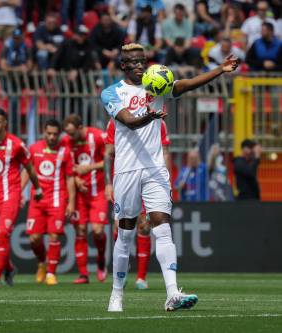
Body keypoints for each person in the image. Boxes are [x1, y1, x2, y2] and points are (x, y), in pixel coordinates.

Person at [101, 43, 239, 312]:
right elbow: (128, 120)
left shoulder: (157, 85)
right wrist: (149, 116)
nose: (140, 65)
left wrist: (220, 70)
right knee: (126, 233)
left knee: (162, 226)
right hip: (127, 170)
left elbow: (187, 85)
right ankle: (116, 294)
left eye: (142, 60)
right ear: (123, 66)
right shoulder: (112, 92)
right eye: (134, 62)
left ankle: (172, 293)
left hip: (154, 169)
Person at [104, 117, 171, 290]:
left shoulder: (158, 122)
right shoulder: (116, 120)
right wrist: (108, 183)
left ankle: (141, 278)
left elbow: (165, 153)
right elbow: (107, 153)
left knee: (145, 227)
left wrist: (166, 183)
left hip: (150, 178)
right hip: (124, 178)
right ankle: (122, 267)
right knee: (120, 227)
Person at [0, 108, 43, 287]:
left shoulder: (16, 144)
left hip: (10, 196)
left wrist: (37, 189)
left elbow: (30, 168)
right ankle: (9, 267)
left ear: (5, 123)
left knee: (3, 234)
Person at [25, 119, 76, 286]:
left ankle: (51, 274)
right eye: (49, 133)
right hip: (37, 200)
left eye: (55, 134)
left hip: (57, 199)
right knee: (34, 239)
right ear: (44, 132)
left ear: (59, 134)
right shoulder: (34, 149)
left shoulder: (65, 151)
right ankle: (42, 262)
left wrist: (71, 203)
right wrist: (19, 192)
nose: (52, 137)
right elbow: (28, 171)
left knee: (54, 236)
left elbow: (70, 178)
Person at [62, 114, 108, 284]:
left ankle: (101, 261)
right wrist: (76, 179)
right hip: (79, 195)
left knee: (98, 231)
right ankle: (83, 274)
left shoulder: (98, 137)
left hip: (99, 192)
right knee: (80, 230)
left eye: (73, 133)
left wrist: (89, 167)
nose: (70, 137)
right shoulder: (67, 141)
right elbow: (68, 168)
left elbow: (110, 160)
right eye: (68, 133)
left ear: (81, 127)